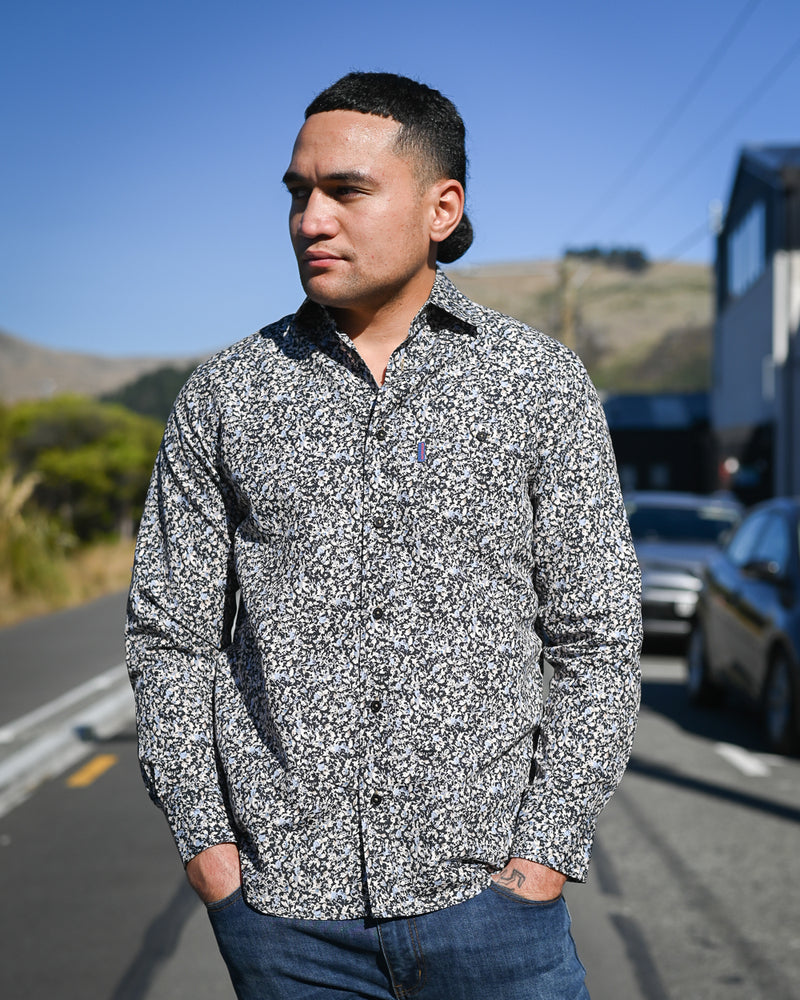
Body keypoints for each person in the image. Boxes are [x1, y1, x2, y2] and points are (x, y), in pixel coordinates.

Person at [126, 71, 642, 1000]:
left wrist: (544, 857)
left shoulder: (538, 384)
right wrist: (209, 850)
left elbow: (596, 636)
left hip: (494, 910)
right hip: (286, 920)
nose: (310, 219)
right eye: (297, 192)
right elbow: (171, 638)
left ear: (442, 207)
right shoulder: (224, 396)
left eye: (347, 190)